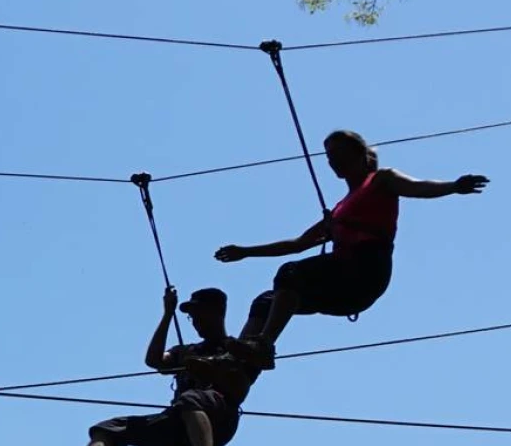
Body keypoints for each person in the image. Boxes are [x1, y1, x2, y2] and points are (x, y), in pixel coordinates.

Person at [197, 131, 488, 373]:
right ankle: (237, 363)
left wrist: (453, 186)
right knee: (265, 302)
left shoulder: (380, 181)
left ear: (360, 154)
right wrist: (246, 251)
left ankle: (262, 346)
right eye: (328, 157)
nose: (332, 161)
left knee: (291, 273)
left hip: (365, 269)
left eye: (338, 154)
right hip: (342, 284)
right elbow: (298, 243)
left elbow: (417, 187)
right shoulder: (339, 210)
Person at [27, 285, 256, 446]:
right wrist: (167, 314)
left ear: (217, 312)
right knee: (110, 428)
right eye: (190, 316)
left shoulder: (235, 350)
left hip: (219, 423)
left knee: (190, 398)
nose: (194, 321)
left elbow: (242, 383)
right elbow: (154, 360)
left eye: (198, 313)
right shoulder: (188, 351)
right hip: (180, 428)